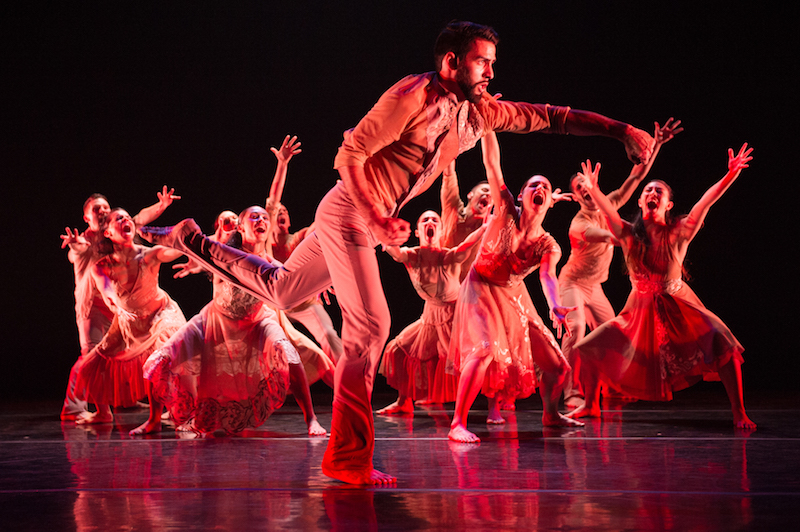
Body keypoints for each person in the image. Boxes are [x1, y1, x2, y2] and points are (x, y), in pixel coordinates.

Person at [139, 21, 654, 484]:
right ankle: (347, 456)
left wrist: (619, 130)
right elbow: (350, 154)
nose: (491, 70)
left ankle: (191, 238)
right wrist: (380, 216)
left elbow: (552, 117)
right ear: (452, 62)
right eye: (482, 60)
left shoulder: (480, 114)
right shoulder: (412, 94)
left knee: (282, 288)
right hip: (350, 212)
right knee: (371, 326)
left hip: (356, 217)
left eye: (493, 62)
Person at [567, 146, 756, 430]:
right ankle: (591, 405)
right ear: (641, 201)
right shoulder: (628, 234)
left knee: (723, 342)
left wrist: (729, 175)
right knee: (586, 348)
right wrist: (593, 190)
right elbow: (608, 212)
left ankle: (739, 411)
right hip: (638, 312)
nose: (652, 194)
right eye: (648, 191)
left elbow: (704, 203)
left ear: (668, 204)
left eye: (659, 192)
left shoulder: (678, 232)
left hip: (678, 305)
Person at [132, 206, 327, 437]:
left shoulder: (272, 265)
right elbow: (200, 249)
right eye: (253, 217)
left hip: (256, 322)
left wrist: (320, 283)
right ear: (240, 226)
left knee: (290, 356)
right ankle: (153, 420)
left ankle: (311, 419)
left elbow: (293, 282)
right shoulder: (222, 252)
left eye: (264, 217)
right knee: (160, 359)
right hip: (214, 320)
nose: (260, 220)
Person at [447, 131, 583, 443]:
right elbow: (491, 163)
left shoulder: (549, 244)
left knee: (557, 367)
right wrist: (489, 124)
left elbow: (547, 277)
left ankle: (551, 415)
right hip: (480, 285)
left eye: (546, 187)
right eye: (534, 185)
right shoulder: (506, 207)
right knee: (481, 352)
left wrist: (554, 304)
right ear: (521, 195)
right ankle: (458, 423)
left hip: (513, 294)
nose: (540, 188)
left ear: (550, 201)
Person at [559, 118, 683, 410]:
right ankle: (569, 391)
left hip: (596, 287)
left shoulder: (609, 202)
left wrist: (657, 146)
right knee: (576, 330)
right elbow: (615, 237)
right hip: (573, 283)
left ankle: (610, 387)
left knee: (617, 336)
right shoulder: (579, 224)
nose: (586, 190)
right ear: (575, 195)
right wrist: (639, 235)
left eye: (588, 185)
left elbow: (636, 178)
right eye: (580, 187)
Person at [60, 187, 180, 421]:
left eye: (106, 207)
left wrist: (162, 205)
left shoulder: (120, 226)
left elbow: (142, 217)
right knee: (94, 356)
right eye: (97, 209)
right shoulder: (85, 240)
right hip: (93, 306)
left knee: (134, 353)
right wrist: (74, 245)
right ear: (87, 218)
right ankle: (95, 410)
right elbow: (77, 252)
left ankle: (132, 399)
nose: (103, 211)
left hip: (123, 304)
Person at [376, 210, 485, 415]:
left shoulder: (448, 256)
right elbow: (394, 251)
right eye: (424, 219)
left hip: (456, 316)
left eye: (435, 220)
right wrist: (384, 232)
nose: (429, 222)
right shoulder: (412, 256)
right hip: (430, 317)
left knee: (473, 359)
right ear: (418, 231)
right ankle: (403, 402)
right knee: (398, 351)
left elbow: (466, 245)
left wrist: (484, 228)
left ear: (441, 230)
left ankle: (494, 407)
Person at [265, 136, 343, 364]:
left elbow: (323, 222)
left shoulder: (299, 238)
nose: (280, 213)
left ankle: (348, 386)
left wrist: (345, 189)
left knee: (329, 336)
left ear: (288, 220)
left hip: (306, 302)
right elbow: (274, 199)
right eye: (277, 212)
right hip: (276, 305)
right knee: (270, 346)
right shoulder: (265, 241)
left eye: (285, 212)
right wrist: (283, 164)